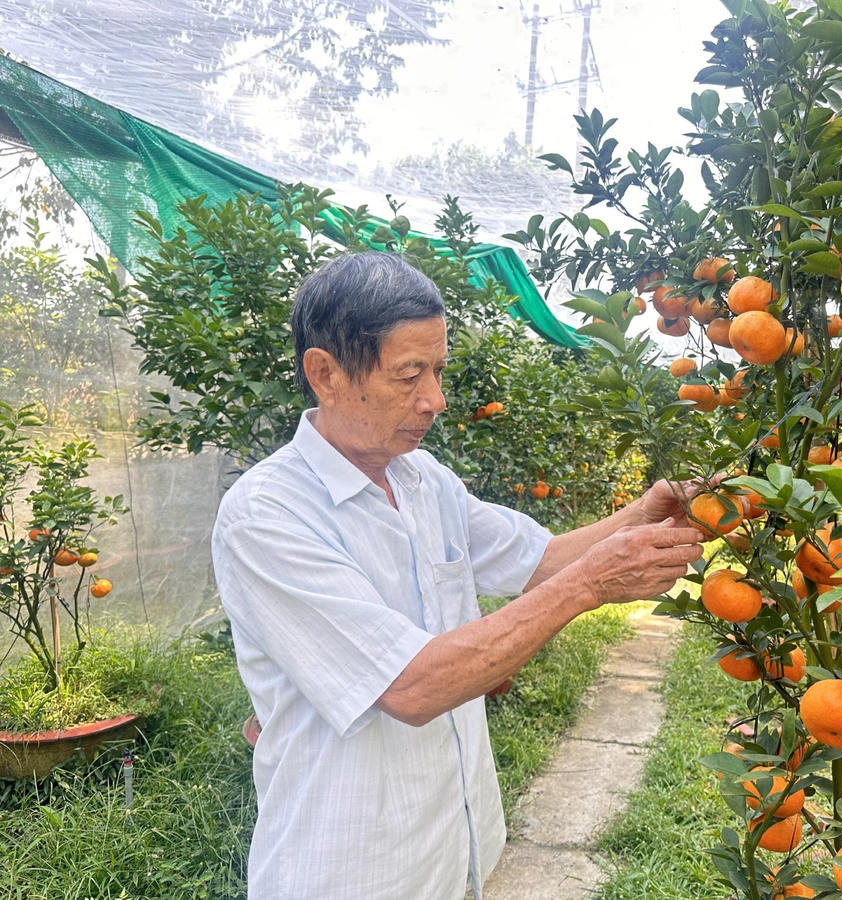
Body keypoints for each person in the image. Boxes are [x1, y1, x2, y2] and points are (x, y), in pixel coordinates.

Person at [211, 251, 705, 900]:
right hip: (350, 871)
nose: (435, 400)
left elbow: (539, 560)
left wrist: (644, 513)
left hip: (453, 853)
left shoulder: (423, 479)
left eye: (438, 370)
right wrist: (590, 585)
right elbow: (409, 687)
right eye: (409, 375)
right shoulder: (268, 515)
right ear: (325, 374)